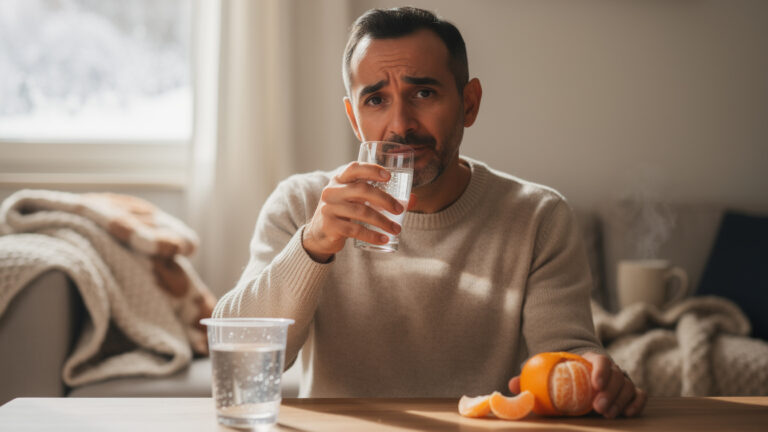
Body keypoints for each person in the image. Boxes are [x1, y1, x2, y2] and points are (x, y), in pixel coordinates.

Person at [214, 6, 646, 418]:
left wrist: (595, 376)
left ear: (469, 103)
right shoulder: (301, 204)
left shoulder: (539, 217)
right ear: (353, 118)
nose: (401, 124)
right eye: (376, 100)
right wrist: (312, 247)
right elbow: (242, 362)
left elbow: (567, 357)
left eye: (423, 92)